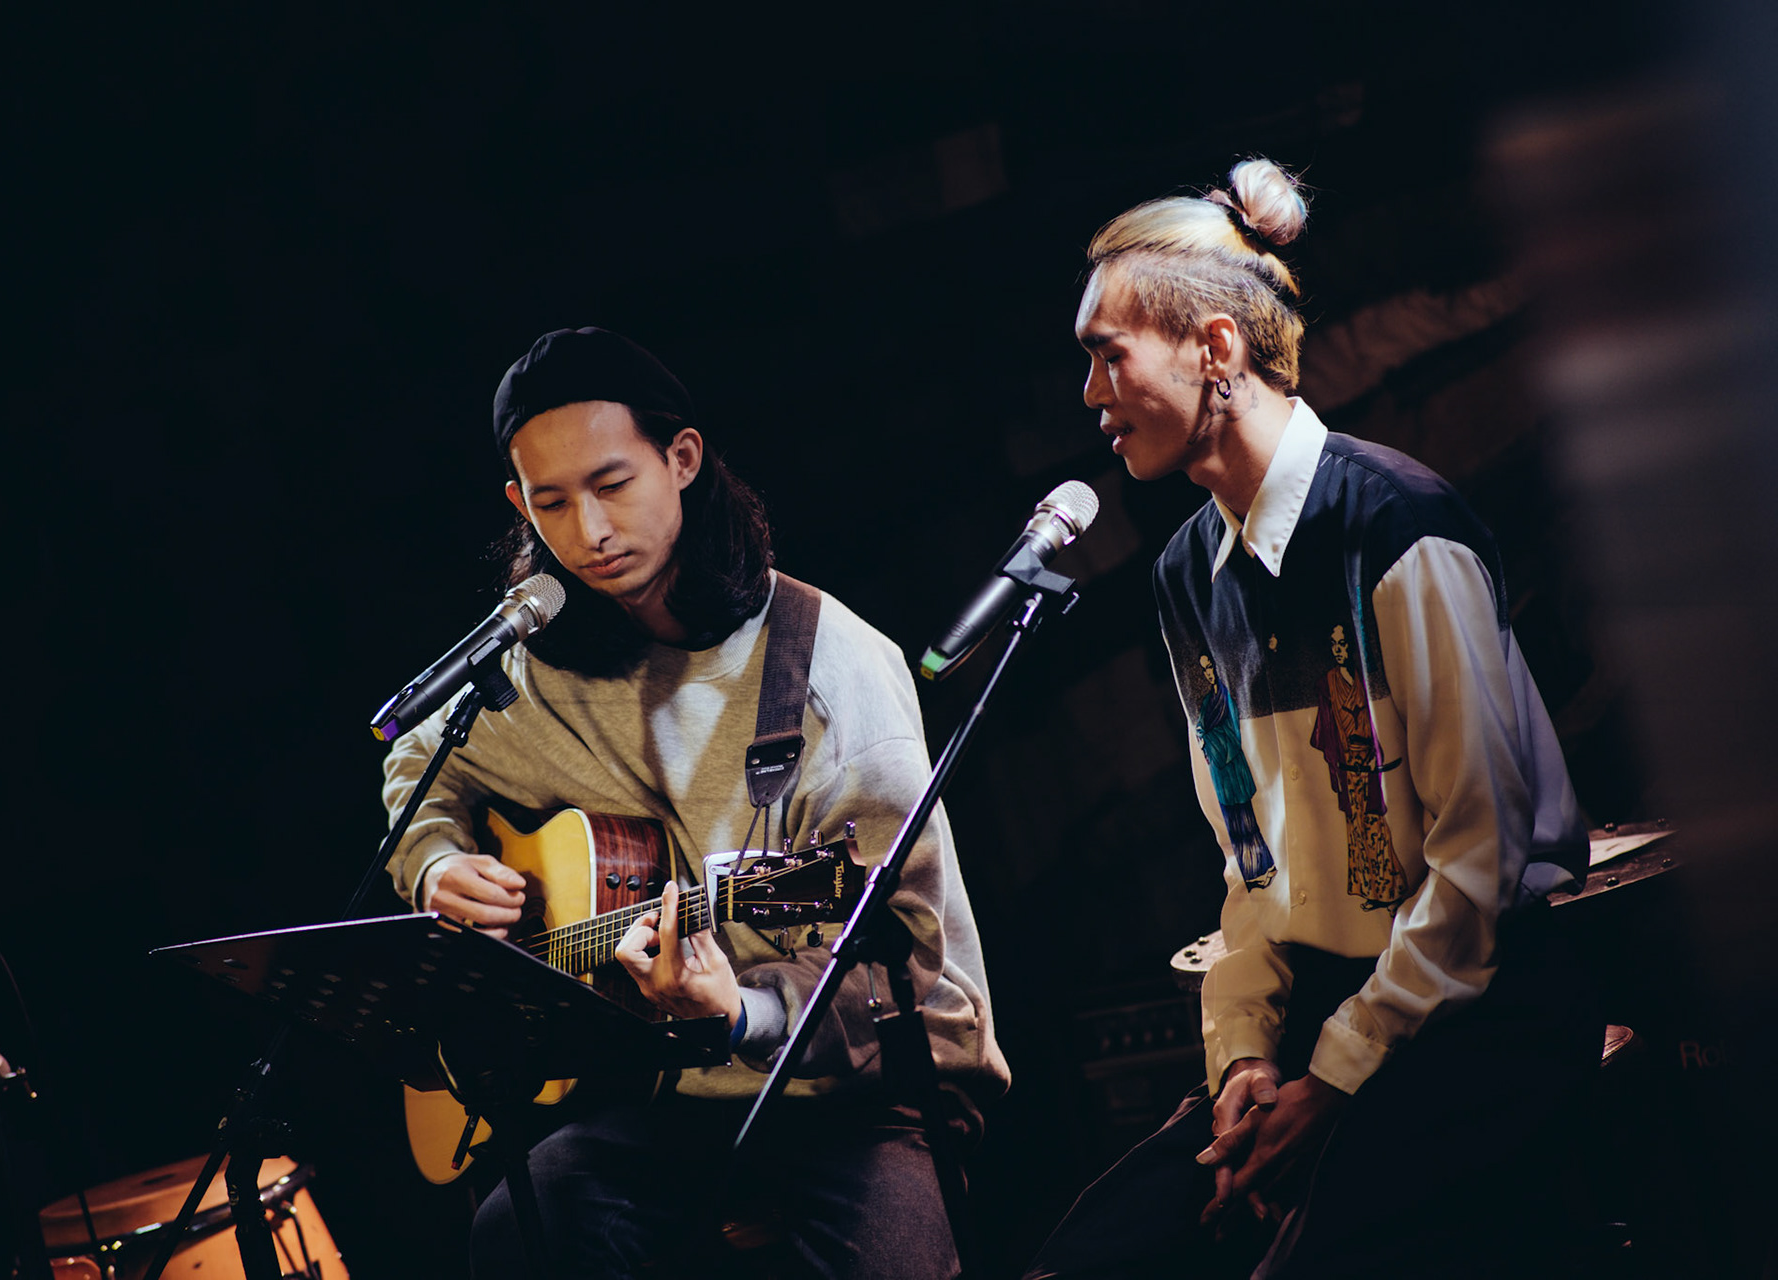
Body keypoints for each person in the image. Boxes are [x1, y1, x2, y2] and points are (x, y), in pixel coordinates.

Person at [1024, 160, 1600, 1278]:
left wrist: (1336, 1074)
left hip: (1474, 1011)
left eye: (1108, 354)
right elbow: (1252, 869)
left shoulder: (1396, 525)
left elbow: (1476, 862)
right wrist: (1243, 1060)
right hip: (1326, 1020)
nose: (1090, 393)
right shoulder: (1186, 573)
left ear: (1215, 349)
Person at [381, 327, 1009, 1279]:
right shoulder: (535, 674)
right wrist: (434, 862)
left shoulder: (830, 676)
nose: (589, 531)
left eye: (612, 484)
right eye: (552, 503)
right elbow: (419, 765)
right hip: (659, 1092)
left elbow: (926, 987)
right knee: (520, 1228)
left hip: (860, 1094)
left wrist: (743, 1013)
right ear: (518, 504)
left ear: (682, 459)